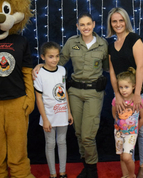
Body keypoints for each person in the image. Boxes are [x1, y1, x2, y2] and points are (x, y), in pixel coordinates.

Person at [33, 13, 109, 178]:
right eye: (82, 24)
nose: (85, 27)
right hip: (73, 92)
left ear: (94, 24)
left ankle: (92, 170)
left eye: (88, 24)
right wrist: (40, 65)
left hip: (93, 93)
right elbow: (57, 62)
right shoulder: (72, 43)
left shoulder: (103, 44)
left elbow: (108, 67)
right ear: (77, 26)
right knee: (79, 133)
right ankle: (86, 166)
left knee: (88, 135)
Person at [107, 7, 143, 178]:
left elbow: (140, 67)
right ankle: (129, 168)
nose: (118, 24)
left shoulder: (135, 39)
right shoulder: (111, 46)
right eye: (114, 21)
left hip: (142, 93)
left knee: (141, 129)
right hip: (122, 95)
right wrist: (117, 95)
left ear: (126, 21)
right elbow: (112, 73)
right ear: (110, 24)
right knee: (125, 130)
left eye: (121, 20)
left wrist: (137, 94)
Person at [34, 41, 74, 178]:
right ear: (43, 57)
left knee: (62, 142)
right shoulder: (39, 74)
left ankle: (62, 172)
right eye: (51, 57)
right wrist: (45, 119)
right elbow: (38, 98)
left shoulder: (62, 70)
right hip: (48, 115)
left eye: (57, 56)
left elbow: (64, 92)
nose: (55, 60)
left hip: (62, 113)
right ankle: (52, 173)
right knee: (50, 144)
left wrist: (68, 112)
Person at [112, 67, 143, 178]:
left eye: (126, 87)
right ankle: (125, 175)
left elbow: (142, 118)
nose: (123, 90)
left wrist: (135, 130)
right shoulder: (116, 100)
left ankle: (132, 175)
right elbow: (114, 113)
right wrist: (119, 125)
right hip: (118, 132)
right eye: (121, 87)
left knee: (127, 157)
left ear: (133, 86)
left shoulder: (138, 101)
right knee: (122, 157)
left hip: (131, 134)